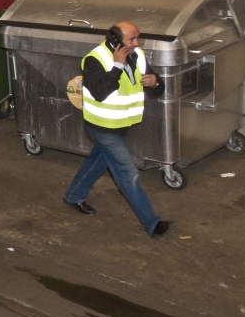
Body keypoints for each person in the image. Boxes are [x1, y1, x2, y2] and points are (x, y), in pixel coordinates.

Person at [63, 20, 172, 237]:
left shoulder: (137, 55)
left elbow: (155, 87)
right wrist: (117, 66)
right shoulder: (95, 59)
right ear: (115, 41)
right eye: (131, 39)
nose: (137, 43)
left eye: (137, 38)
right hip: (102, 127)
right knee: (127, 172)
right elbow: (100, 92)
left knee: (98, 160)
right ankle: (152, 223)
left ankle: (73, 195)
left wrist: (156, 83)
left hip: (122, 125)